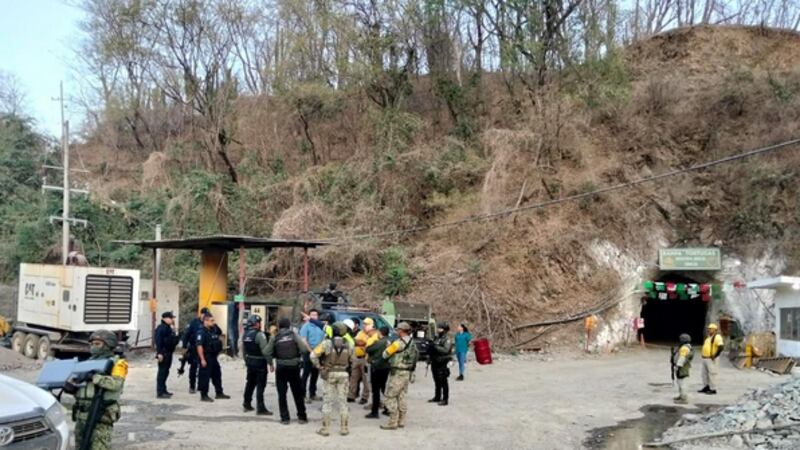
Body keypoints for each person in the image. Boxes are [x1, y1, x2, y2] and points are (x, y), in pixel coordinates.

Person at [64, 330, 128, 450]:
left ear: (108, 345)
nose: (93, 347)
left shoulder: (118, 363)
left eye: (97, 344)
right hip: (81, 415)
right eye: (92, 344)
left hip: (101, 415)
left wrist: (94, 377)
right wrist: (72, 388)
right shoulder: (86, 363)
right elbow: (83, 388)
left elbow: (116, 384)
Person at [311, 322, 354, 436]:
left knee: (327, 402)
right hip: (343, 374)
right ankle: (344, 428)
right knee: (343, 401)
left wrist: (319, 366)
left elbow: (313, 355)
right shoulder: (349, 344)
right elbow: (352, 359)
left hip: (329, 373)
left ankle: (325, 429)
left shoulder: (326, 343)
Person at [266, 318, 310, 425]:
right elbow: (304, 349)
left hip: (281, 367)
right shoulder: (294, 335)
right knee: (297, 393)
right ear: (289, 326)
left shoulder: (275, 337)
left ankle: (285, 418)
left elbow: (267, 352)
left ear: (279, 326)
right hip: (294, 367)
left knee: (282, 394)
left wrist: (271, 363)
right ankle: (302, 416)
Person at [381, 322, 419, 430]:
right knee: (402, 396)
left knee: (390, 396)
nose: (396, 331)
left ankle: (393, 421)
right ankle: (401, 420)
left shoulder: (397, 343)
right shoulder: (412, 342)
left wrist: (388, 347)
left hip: (397, 373)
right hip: (407, 372)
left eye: (398, 329)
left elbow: (385, 355)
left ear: (401, 331)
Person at [242, 315, 274, 415]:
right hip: (260, 363)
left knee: (250, 383)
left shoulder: (245, 334)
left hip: (250, 362)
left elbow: (243, 350)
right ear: (256, 324)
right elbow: (265, 351)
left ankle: (246, 403)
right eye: (259, 322)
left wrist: (246, 361)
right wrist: (270, 363)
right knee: (261, 385)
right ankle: (261, 408)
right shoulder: (260, 335)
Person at [197, 314, 230, 402]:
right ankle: (204, 395)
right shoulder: (201, 332)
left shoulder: (213, 330)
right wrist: (202, 359)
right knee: (205, 376)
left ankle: (219, 392)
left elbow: (219, 332)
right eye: (211, 321)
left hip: (213, 357)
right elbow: (199, 346)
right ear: (205, 321)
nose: (213, 322)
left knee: (217, 374)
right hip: (206, 357)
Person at [181, 307, 210, 393]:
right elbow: (186, 334)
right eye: (204, 314)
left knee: (203, 368)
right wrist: (184, 347)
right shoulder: (194, 322)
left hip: (205, 348)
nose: (205, 316)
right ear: (201, 314)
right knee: (193, 367)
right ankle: (192, 386)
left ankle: (201, 387)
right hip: (194, 347)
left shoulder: (208, 322)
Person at [300, 309, 325, 403]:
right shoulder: (306, 326)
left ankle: (313, 394)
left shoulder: (320, 326)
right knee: (306, 374)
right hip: (308, 352)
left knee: (315, 374)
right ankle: (302, 395)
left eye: (315, 315)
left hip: (318, 353)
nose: (314, 316)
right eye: (312, 315)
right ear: (309, 316)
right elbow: (304, 340)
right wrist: (311, 351)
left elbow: (324, 339)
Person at [365, 326, 391, 419]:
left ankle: (375, 411)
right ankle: (388, 408)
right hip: (386, 367)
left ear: (380, 332)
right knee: (384, 389)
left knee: (376, 390)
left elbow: (368, 349)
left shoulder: (380, 342)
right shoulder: (389, 341)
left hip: (377, 367)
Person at [350, 317, 377, 404]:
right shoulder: (360, 332)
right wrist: (360, 343)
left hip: (365, 359)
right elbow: (355, 341)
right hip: (356, 357)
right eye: (364, 324)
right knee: (353, 377)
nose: (364, 325)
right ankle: (351, 395)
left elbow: (366, 345)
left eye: (366, 324)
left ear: (371, 325)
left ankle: (364, 397)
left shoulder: (374, 334)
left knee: (366, 379)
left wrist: (361, 342)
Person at [428, 322, 454, 406]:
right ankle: (437, 396)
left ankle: (445, 399)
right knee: (436, 380)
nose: (438, 329)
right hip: (435, 361)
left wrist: (435, 346)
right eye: (438, 328)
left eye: (440, 328)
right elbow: (432, 348)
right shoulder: (437, 337)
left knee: (443, 381)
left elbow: (446, 350)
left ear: (444, 330)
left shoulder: (447, 339)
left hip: (443, 362)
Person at [155, 311, 179, 398]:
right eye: (170, 318)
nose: (172, 320)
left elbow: (173, 341)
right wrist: (159, 353)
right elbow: (158, 341)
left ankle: (164, 390)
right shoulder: (161, 328)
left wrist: (175, 333)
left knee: (166, 372)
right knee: (162, 372)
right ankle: (160, 392)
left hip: (169, 352)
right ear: (164, 318)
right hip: (164, 352)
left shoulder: (169, 328)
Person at [699, 323, 724, 395]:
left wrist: (715, 355)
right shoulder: (708, 337)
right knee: (704, 374)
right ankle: (706, 386)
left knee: (712, 374)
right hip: (705, 358)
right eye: (708, 329)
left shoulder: (717, 337)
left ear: (715, 330)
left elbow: (721, 347)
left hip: (711, 358)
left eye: (710, 329)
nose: (708, 330)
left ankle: (713, 389)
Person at [673, 333, 694, 404]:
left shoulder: (684, 348)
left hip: (682, 367)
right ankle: (681, 395)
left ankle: (684, 399)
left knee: (682, 383)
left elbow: (682, 358)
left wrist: (677, 367)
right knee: (679, 382)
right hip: (682, 367)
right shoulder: (686, 347)